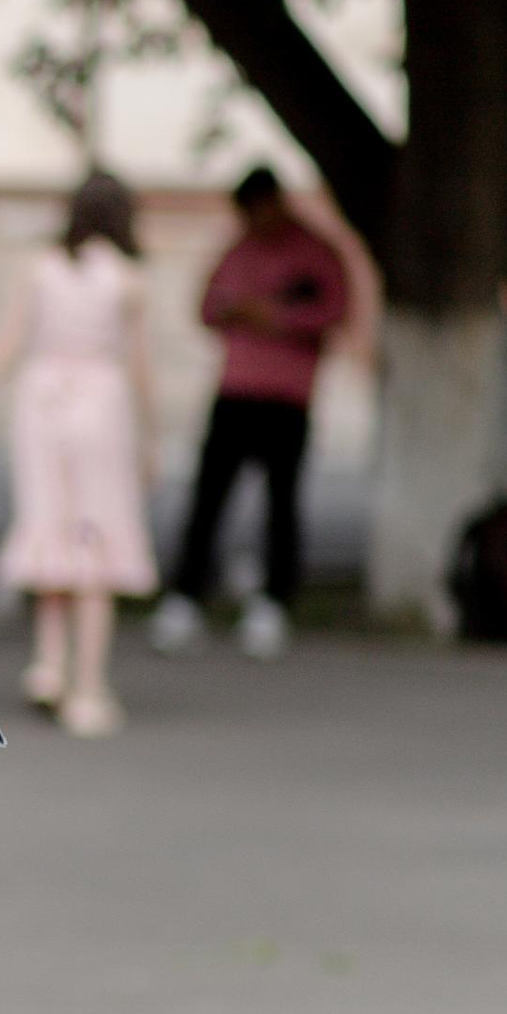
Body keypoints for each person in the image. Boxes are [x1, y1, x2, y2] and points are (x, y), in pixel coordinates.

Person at [0, 167, 158, 739]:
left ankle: (49, 662)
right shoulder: (128, 279)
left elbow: (6, 342)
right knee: (96, 540)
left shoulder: (38, 268)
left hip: (41, 403)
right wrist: (153, 440)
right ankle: (88, 687)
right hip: (101, 404)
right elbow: (141, 370)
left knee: (50, 530)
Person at [150, 165, 351, 659]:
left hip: (289, 395)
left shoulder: (315, 252)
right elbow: (206, 308)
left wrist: (277, 318)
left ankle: (275, 600)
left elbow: (337, 310)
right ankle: (188, 595)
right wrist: (238, 313)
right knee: (209, 498)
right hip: (236, 390)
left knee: (281, 503)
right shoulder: (237, 250)